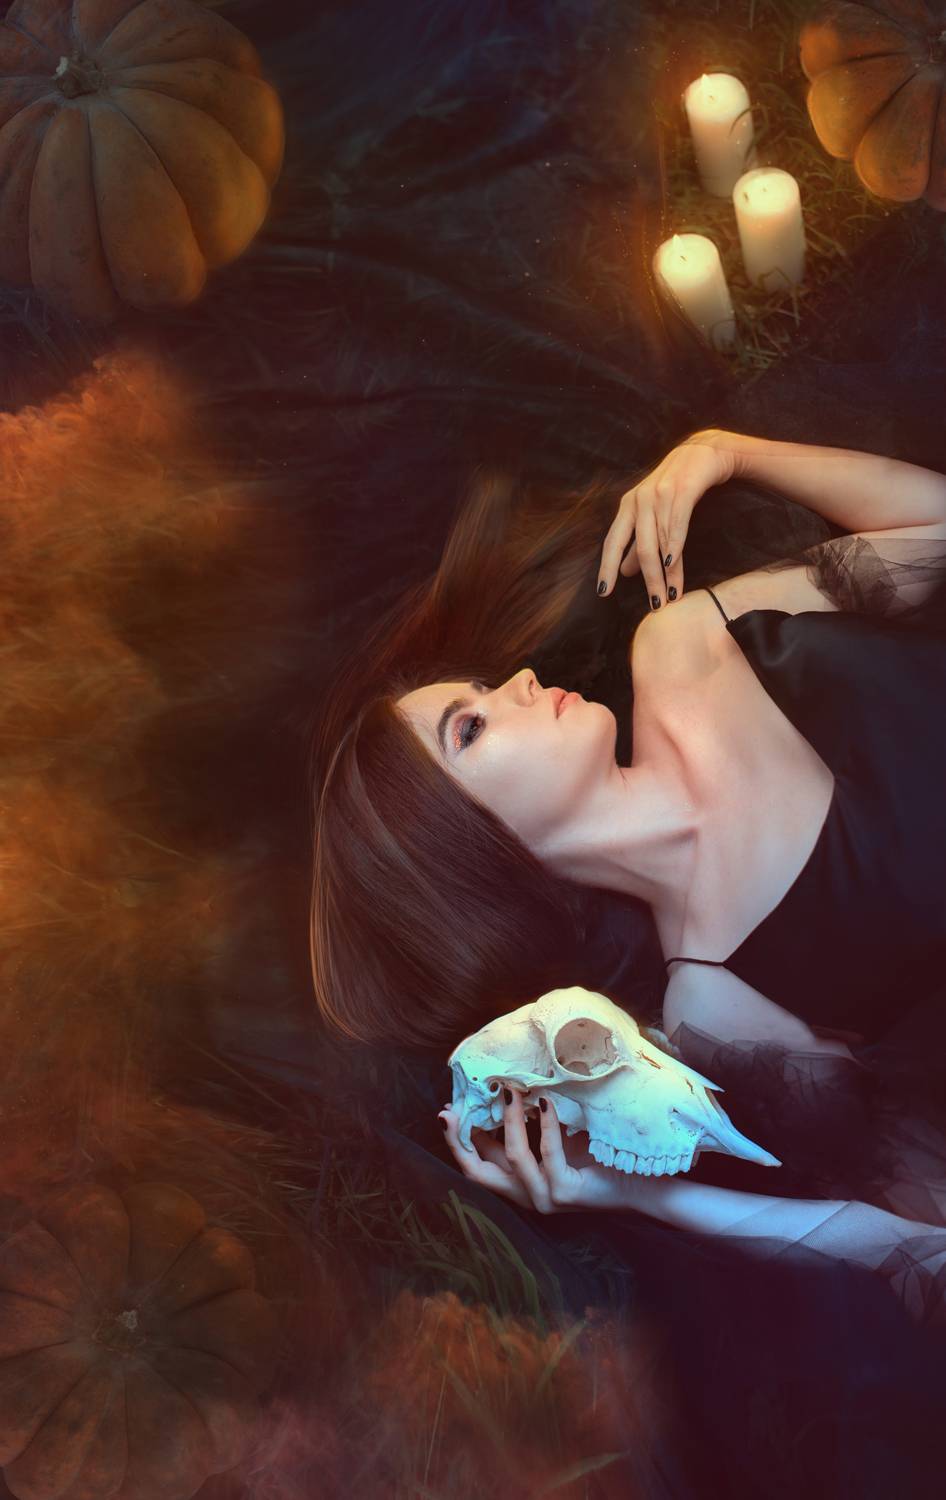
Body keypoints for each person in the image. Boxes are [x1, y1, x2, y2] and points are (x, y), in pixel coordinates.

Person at [309, 426, 946, 1491]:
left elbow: (938, 531)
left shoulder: (683, 647)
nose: (519, 679)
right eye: (471, 728)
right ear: (469, 853)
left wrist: (725, 451)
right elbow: (920, 1239)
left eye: (479, 689)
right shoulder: (721, 1002)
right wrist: (636, 1198)